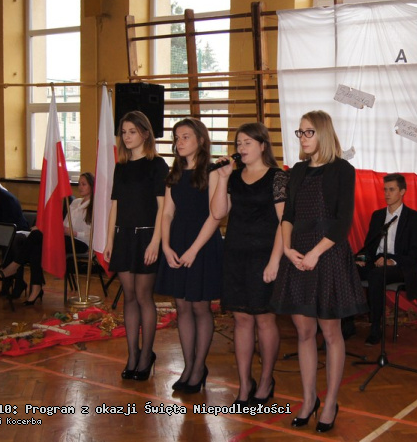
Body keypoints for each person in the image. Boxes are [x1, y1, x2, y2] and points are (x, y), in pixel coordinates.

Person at [271, 110, 367, 433]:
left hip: (327, 254)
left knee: (330, 332)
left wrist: (315, 253)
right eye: (300, 132)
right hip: (298, 254)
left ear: (323, 133)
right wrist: (287, 249)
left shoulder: (342, 170)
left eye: (308, 132)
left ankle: (330, 403)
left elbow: (343, 221)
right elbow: (288, 216)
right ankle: (309, 398)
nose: (303, 138)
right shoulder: (297, 171)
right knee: (304, 332)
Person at [211, 122, 286, 405]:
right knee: (241, 318)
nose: (241, 148)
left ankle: (266, 380)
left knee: (265, 319)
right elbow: (218, 212)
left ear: (263, 145)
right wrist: (222, 179)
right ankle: (244, 384)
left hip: (264, 256)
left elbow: (284, 223)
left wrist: (274, 261)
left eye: (247, 143)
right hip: (235, 254)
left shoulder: (277, 177)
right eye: (238, 143)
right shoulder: (233, 176)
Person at [156, 117, 222, 394]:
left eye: (185, 137)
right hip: (178, 241)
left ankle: (199, 367)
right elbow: (167, 213)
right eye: (177, 138)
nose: (179, 142)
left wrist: (194, 249)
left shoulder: (213, 171)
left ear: (201, 140)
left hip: (203, 244)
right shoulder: (175, 172)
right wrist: (165, 246)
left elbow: (215, 216)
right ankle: (188, 365)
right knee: (181, 306)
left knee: (200, 307)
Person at [105, 111, 168, 382]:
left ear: (144, 133)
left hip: (147, 237)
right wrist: (109, 241)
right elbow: (115, 206)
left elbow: (163, 208)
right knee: (128, 297)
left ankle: (146, 356)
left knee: (143, 297)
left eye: (132, 131)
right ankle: (133, 354)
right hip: (123, 237)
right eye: (124, 132)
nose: (127, 136)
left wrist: (156, 241)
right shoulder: (121, 166)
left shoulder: (157, 165)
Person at [0, 173, 95, 304]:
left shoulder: (95, 206)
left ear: (92, 186)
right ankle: (36, 288)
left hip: (81, 243)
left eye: (84, 184)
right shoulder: (75, 202)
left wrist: (74, 233)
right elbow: (64, 224)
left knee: (36, 236)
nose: (80, 187)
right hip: (65, 238)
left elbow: (93, 234)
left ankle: (15, 266)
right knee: (36, 245)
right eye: (79, 184)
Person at [354, 173, 417, 345]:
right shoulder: (378, 216)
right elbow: (369, 247)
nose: (387, 194)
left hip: (401, 265)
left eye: (391, 190)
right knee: (349, 268)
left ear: (402, 191)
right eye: (385, 189)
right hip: (377, 260)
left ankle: (376, 327)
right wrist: (360, 259)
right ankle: (347, 322)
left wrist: (392, 261)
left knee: (376, 275)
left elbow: (415, 254)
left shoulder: (415, 218)